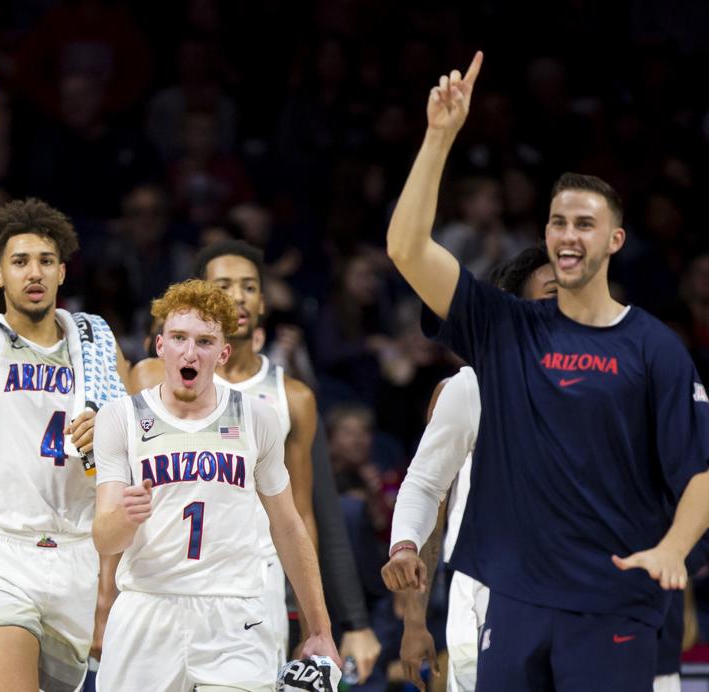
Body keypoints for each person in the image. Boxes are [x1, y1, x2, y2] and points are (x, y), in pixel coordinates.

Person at [384, 51, 709, 691]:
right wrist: (439, 137)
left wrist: (674, 548)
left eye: (585, 224)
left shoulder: (653, 347)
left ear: (615, 240)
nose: (567, 235)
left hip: (611, 603)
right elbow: (406, 249)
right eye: (558, 221)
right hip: (512, 602)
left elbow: (699, 472)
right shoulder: (507, 329)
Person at [0, 76, 132, 691]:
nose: (33, 272)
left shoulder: (95, 340)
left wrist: (112, 432)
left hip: (80, 554)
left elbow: (134, 453)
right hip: (0, 553)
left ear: (64, 270)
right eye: (19, 261)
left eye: (44, 260)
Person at [128, 240, 382, 681]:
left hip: (251, 588)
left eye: (248, 286)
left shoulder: (293, 397)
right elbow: (121, 492)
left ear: (263, 303)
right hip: (162, 582)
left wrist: (318, 623)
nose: (237, 296)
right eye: (222, 285)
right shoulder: (152, 376)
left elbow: (302, 514)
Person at [92, 279, 339, 690]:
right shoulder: (121, 417)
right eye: (178, 338)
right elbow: (104, 537)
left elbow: (288, 525)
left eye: (204, 342)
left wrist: (320, 628)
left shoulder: (258, 418)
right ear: (160, 346)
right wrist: (125, 517)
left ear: (222, 353)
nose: (190, 352)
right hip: (147, 608)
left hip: (234, 612)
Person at [382, 246, 557, 691]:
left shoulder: (611, 382)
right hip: (490, 595)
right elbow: (426, 489)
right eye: (552, 292)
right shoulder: (472, 388)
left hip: (579, 593)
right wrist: (413, 612)